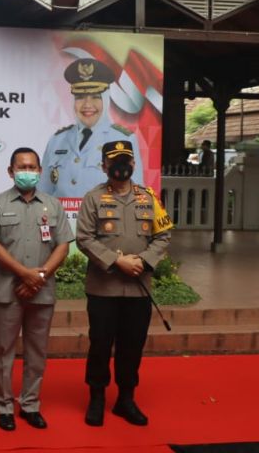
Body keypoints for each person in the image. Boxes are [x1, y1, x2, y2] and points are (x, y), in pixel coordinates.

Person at [75, 140, 172, 427]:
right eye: (114, 161)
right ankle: (97, 397)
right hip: (103, 288)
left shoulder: (149, 197)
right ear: (104, 166)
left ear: (132, 164)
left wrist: (143, 261)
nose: (121, 165)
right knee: (100, 344)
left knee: (132, 346)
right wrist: (117, 261)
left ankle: (126, 399)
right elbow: (84, 238)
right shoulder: (93, 198)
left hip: (138, 289)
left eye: (125, 160)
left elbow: (163, 236)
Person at [0, 147, 73, 432]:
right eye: (22, 167)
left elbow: (63, 245)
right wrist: (24, 275)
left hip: (42, 292)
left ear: (40, 171)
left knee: (37, 351)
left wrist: (40, 276)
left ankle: (31, 404)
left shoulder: (52, 205)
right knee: (3, 350)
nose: (27, 171)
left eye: (32, 167)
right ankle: (4, 407)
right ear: (10, 172)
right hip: (7, 291)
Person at [39, 58, 142, 198]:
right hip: (61, 219)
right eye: (80, 97)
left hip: (104, 219)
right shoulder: (57, 140)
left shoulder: (123, 139)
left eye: (95, 97)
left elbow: (135, 195)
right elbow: (43, 193)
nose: (87, 104)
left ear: (105, 100)